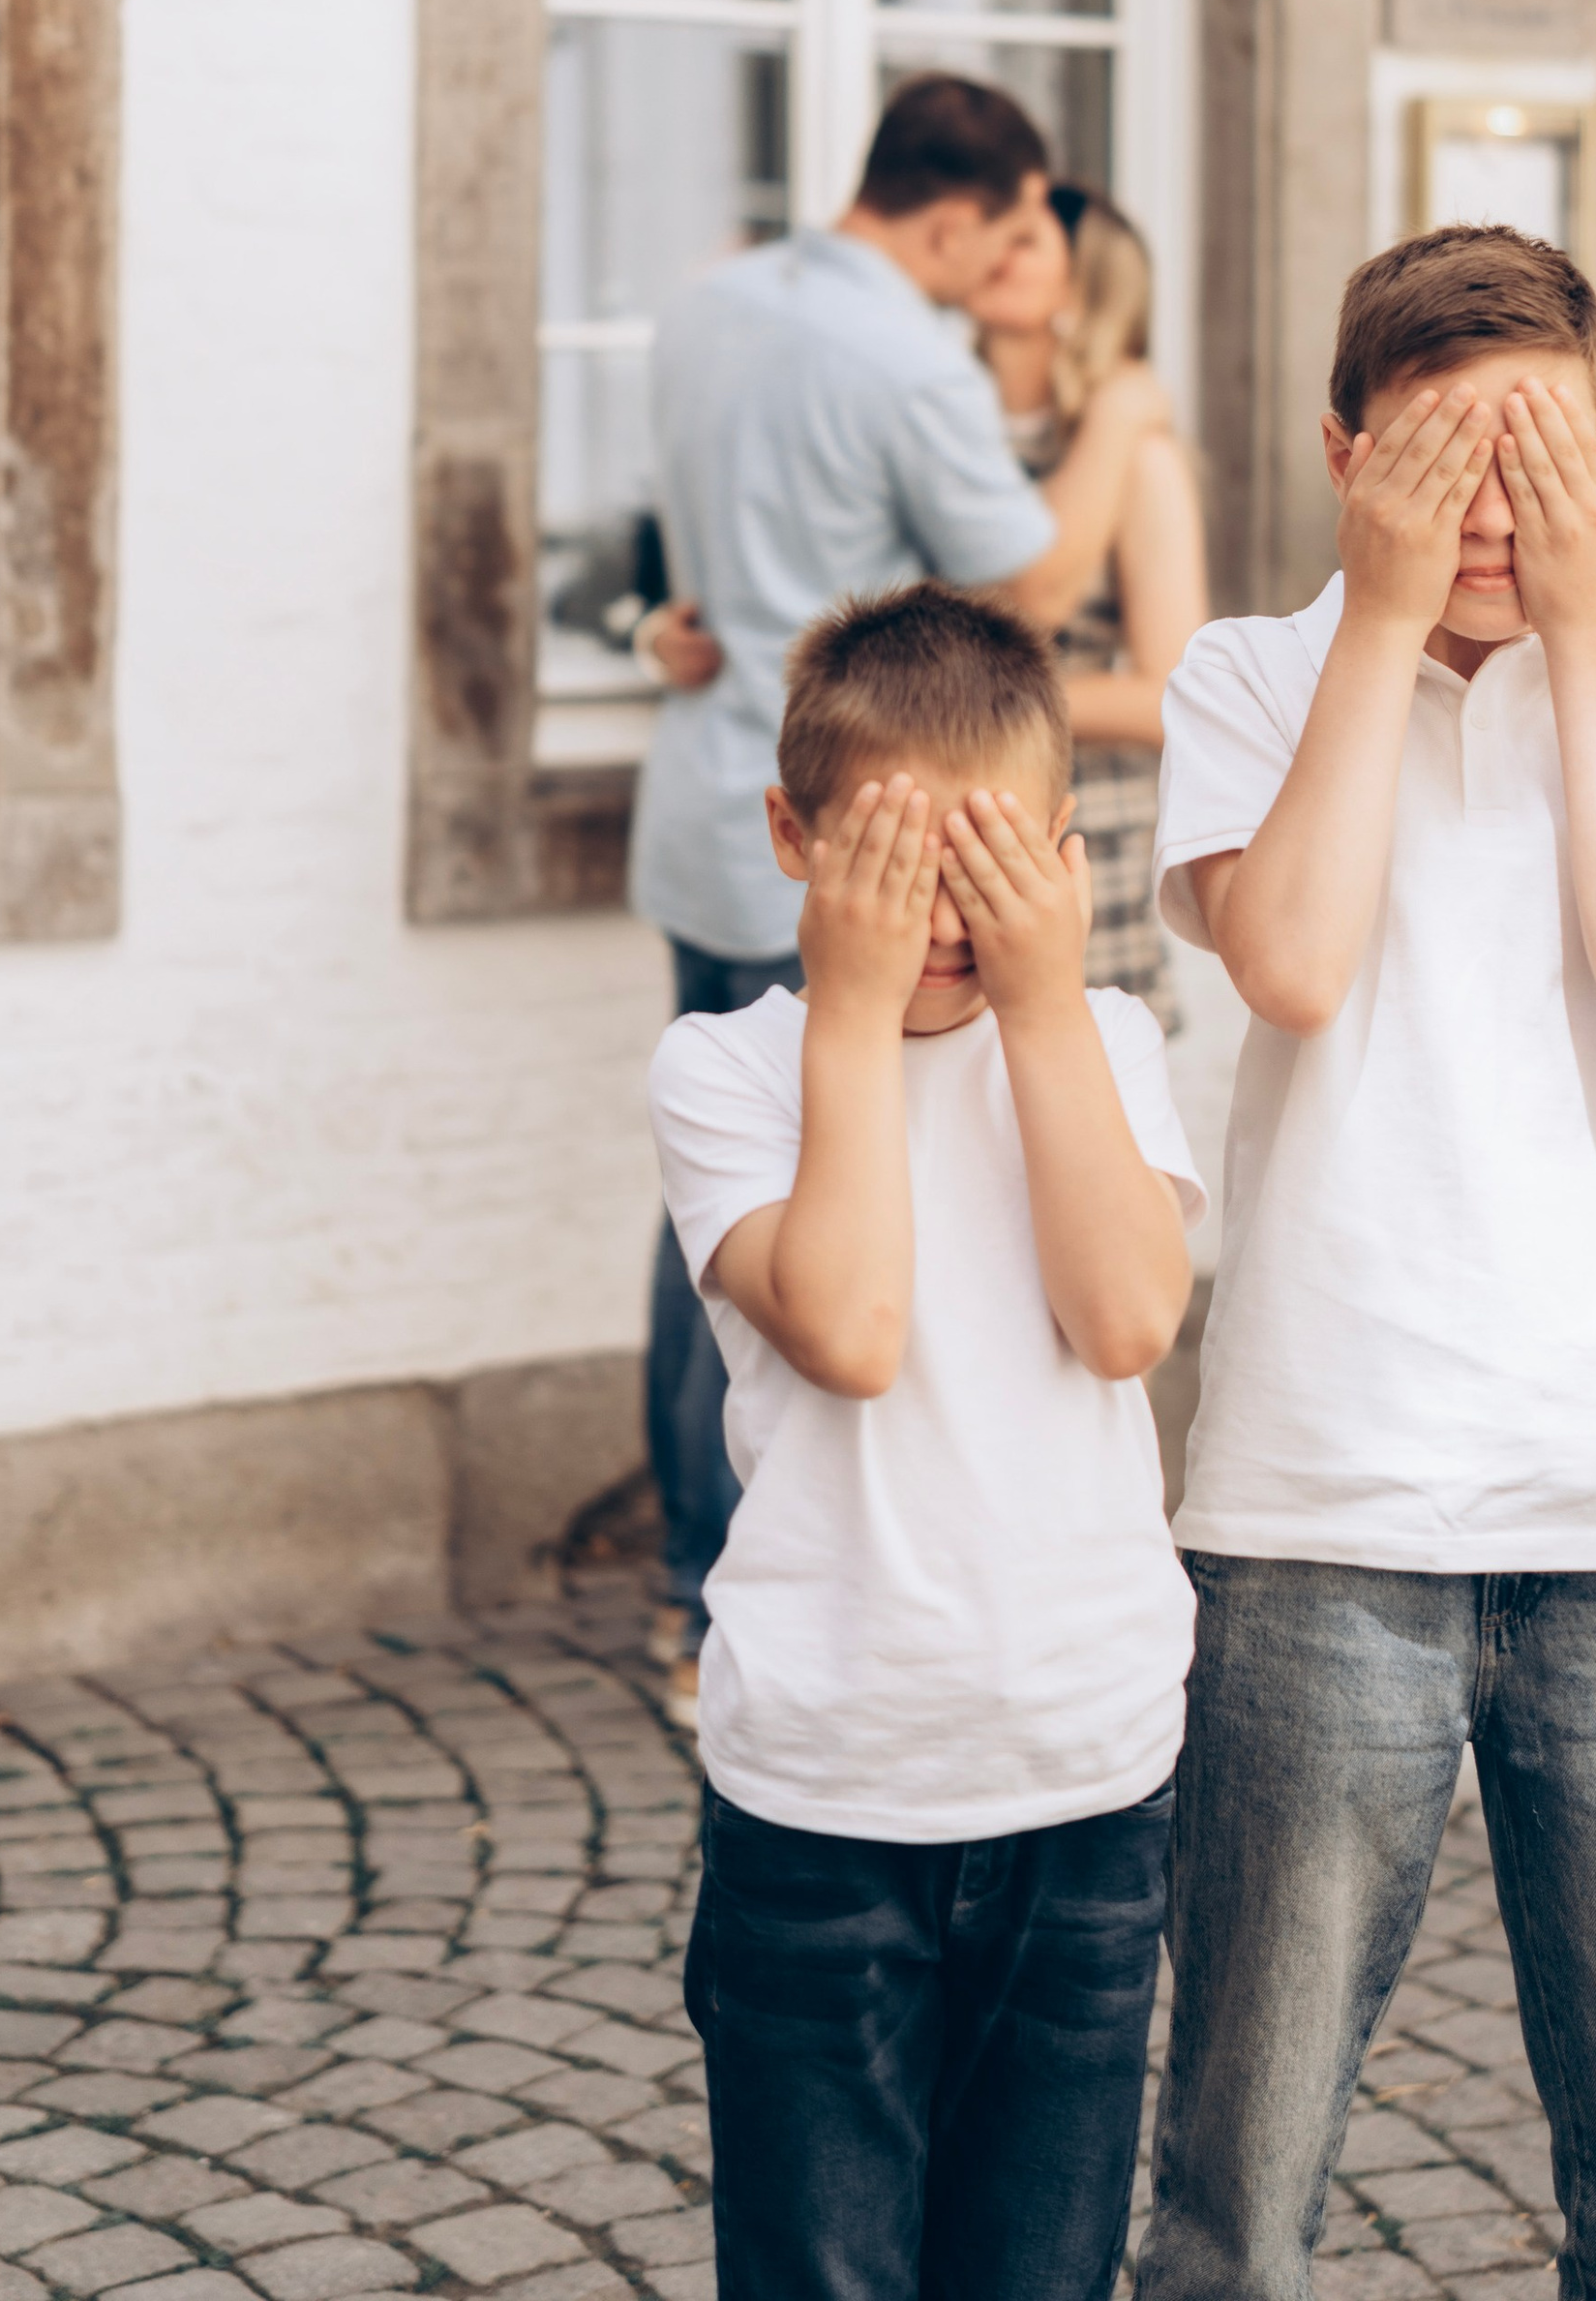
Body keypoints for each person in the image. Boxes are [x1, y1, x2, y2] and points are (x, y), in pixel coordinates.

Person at [1134, 221, 1596, 2301]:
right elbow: (1298, 961)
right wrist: (1380, 621)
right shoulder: (1251, 675)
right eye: (1439, 463)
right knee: (1237, 2180)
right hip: (1330, 1494)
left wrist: (1590, 636)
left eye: (1542, 461)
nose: (1491, 515)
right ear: (1344, 455)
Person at [648, 581, 1202, 2301]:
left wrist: (1046, 1008)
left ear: (1058, 854)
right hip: (825, 1788)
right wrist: (847, 1014)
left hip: (1085, 1778)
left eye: (990, 864)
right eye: (899, 857)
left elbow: (1126, 1325)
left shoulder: (1104, 1040)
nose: (946, 913)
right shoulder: (727, 1071)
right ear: (794, 841)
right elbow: (853, 1329)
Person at [627, 72, 1171, 1728]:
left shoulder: (709, 302)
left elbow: (691, 568)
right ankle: (803, 1569)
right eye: (1008, 234)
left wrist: (671, 629)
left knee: (718, 1214)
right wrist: (1131, 424)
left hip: (726, 807)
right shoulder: (906, 360)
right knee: (816, 1188)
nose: (1010, 267)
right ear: (957, 217)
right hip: (880, 842)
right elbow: (1037, 592)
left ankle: (694, 1571)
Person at [971, 178, 1209, 1025]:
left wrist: (954, 702)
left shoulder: (1134, 453)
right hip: (940, 821)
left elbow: (1166, 692)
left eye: (1025, 240)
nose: (991, 246)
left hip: (1075, 829)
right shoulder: (941, 432)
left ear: (1081, 286)